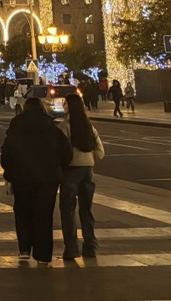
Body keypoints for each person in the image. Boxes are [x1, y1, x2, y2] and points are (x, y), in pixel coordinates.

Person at [0, 97, 72, 263]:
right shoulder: (52, 129)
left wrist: (10, 170)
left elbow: (7, 155)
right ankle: (43, 254)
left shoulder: (16, 129)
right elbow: (66, 154)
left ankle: (24, 249)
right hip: (47, 179)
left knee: (23, 213)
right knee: (44, 216)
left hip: (21, 178)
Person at [59, 93, 104, 259]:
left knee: (68, 210)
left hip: (71, 170)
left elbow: (60, 150)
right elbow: (100, 152)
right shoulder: (89, 127)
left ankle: (71, 248)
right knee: (86, 209)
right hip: (88, 169)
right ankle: (90, 246)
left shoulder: (65, 127)